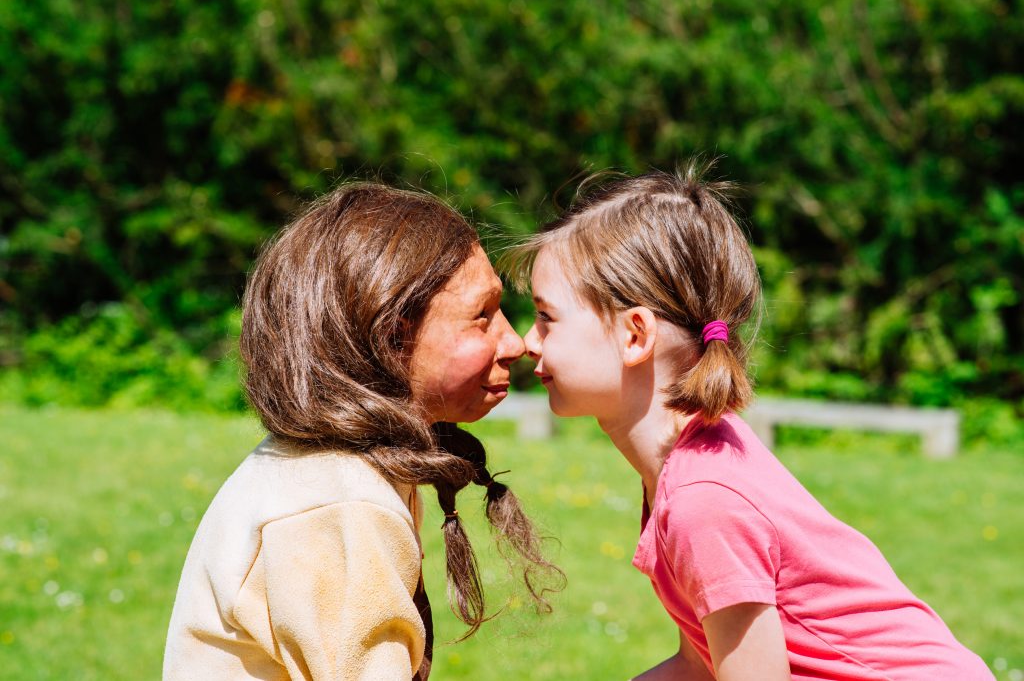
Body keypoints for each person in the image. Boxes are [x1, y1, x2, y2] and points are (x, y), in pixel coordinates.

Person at [504, 163, 993, 680]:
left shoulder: (704, 501)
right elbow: (700, 663)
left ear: (634, 335)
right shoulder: (688, 469)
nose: (527, 342)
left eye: (546, 317)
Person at [164, 182, 560, 681]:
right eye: (482, 316)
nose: (513, 342)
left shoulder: (338, 472)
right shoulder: (342, 503)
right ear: (393, 335)